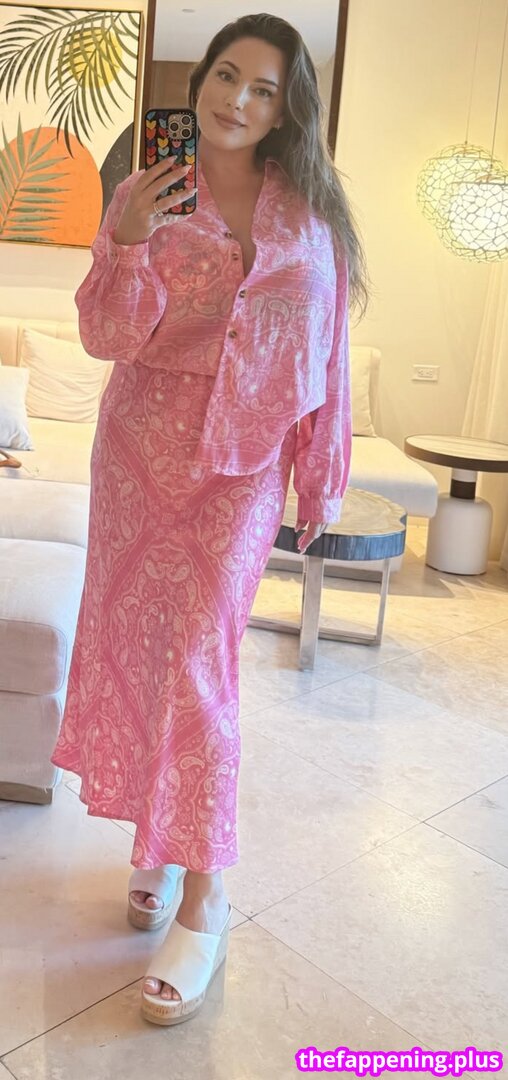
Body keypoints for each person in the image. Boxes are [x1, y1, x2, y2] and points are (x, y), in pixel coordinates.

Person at [50, 12, 368, 1027]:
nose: (237, 99)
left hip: (240, 470)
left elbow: (324, 356)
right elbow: (106, 334)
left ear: (286, 110)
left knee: (198, 665)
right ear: (200, 83)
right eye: (226, 76)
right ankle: (154, 843)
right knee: (141, 654)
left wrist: (320, 472)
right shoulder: (151, 192)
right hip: (139, 454)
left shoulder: (309, 216)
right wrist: (128, 243)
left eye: (263, 88)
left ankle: (205, 895)